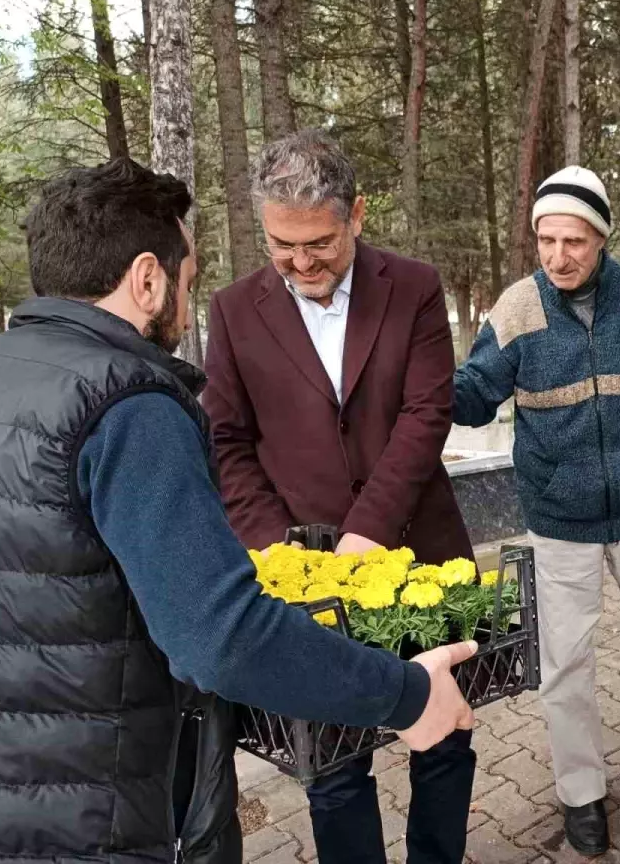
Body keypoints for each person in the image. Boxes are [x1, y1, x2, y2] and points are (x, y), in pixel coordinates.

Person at [0, 158, 476, 864]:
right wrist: (404, 696)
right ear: (147, 277)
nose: (188, 297)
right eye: (184, 278)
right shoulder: (127, 405)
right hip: (95, 809)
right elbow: (220, 636)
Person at [202, 128, 478, 864]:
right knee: (331, 762)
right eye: (280, 245)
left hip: (420, 555)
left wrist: (366, 533)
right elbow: (226, 440)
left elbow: (426, 415)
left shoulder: (414, 286)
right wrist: (281, 550)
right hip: (305, 581)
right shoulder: (232, 311)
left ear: (356, 214)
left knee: (444, 736)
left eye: (318, 243)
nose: (299, 263)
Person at [453, 166, 620, 857]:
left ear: (602, 239)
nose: (558, 256)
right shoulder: (516, 311)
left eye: (574, 240)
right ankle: (582, 793)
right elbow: (474, 395)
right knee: (565, 661)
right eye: (546, 240)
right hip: (558, 516)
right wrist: (427, 380)